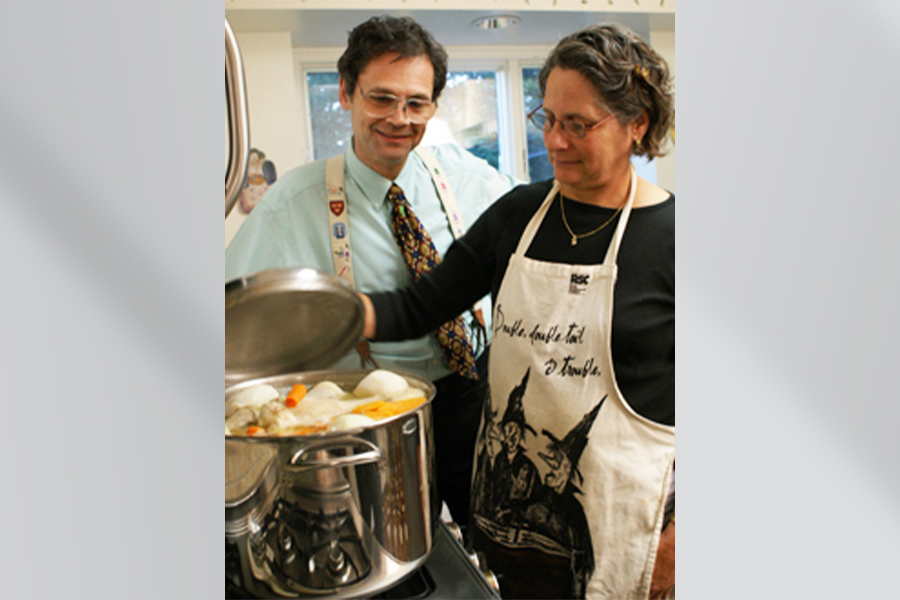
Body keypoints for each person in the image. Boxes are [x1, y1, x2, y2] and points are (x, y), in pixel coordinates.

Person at [360, 22, 675, 599]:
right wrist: (328, 315)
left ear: (638, 124)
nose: (554, 140)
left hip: (635, 523)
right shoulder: (518, 216)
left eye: (577, 124)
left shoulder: (676, 237)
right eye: (547, 118)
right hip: (515, 523)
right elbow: (421, 305)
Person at [224, 16, 517, 530]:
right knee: (390, 540)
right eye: (381, 98)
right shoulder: (290, 203)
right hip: (372, 410)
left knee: (489, 535)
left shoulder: (471, 177)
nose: (399, 119)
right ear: (345, 93)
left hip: (471, 390)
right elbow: (233, 319)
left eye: (416, 103)